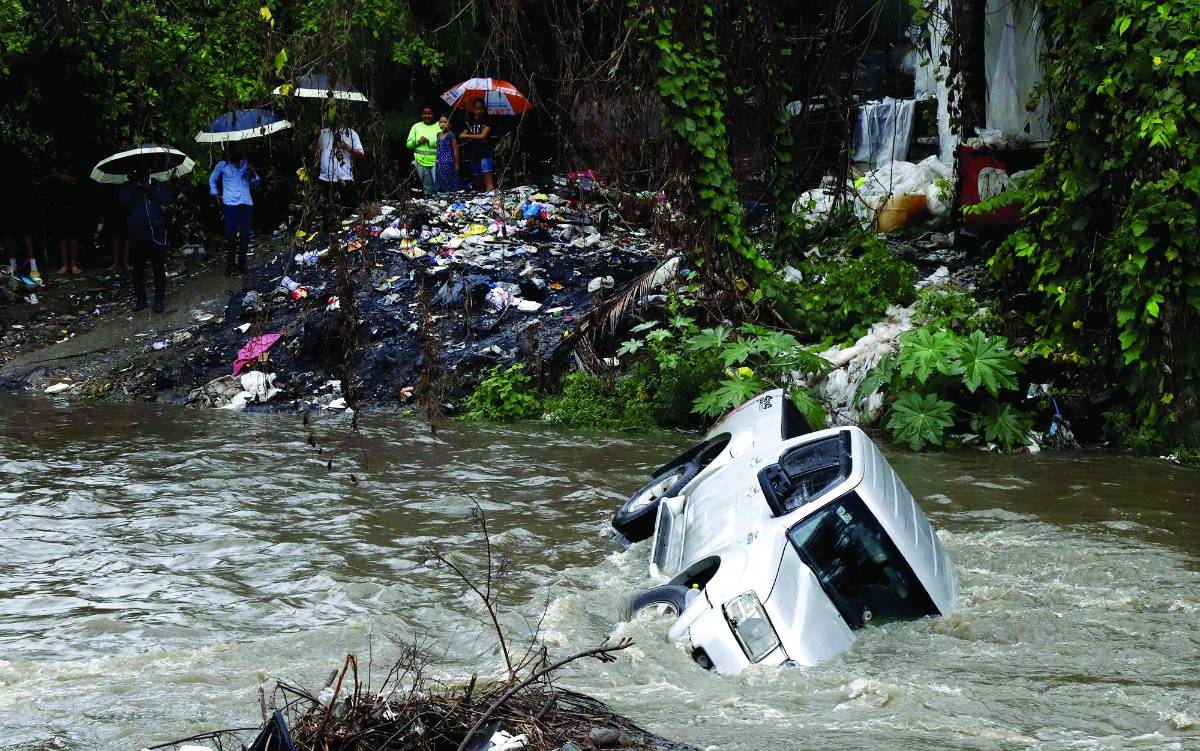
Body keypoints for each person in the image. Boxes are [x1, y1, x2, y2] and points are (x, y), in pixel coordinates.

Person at [120, 171, 171, 313]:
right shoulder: (128, 186)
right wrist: (133, 184)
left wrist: (149, 187)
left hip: (157, 230)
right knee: (138, 269)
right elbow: (123, 201)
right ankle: (140, 299)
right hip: (137, 232)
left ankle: (159, 300)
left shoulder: (157, 183)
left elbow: (166, 200)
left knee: (158, 267)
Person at [209, 143, 260, 275]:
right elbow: (212, 179)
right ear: (229, 152)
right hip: (230, 203)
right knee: (231, 234)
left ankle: (242, 264)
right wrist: (215, 194)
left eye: (240, 150)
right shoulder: (222, 165)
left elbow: (256, 182)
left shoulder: (246, 164)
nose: (239, 152)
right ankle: (231, 264)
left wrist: (252, 174)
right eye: (235, 150)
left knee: (245, 235)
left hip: (246, 203)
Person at [313, 112, 364, 233]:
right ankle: (327, 238)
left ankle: (347, 237)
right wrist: (315, 137)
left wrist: (347, 147)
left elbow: (361, 154)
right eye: (329, 117)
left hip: (345, 179)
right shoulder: (323, 133)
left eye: (336, 117)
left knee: (347, 212)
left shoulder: (350, 134)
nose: (333, 119)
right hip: (325, 179)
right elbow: (315, 153)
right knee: (327, 212)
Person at [41, 161, 84, 275]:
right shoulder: (53, 179)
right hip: (59, 209)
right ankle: (65, 264)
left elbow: (76, 187)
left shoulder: (70, 177)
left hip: (73, 208)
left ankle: (73, 264)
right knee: (62, 237)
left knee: (73, 237)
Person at [459, 98, 495, 192]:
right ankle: (481, 200)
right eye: (476, 108)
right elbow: (461, 135)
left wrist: (469, 136)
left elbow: (483, 136)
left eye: (480, 108)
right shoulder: (470, 121)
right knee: (477, 179)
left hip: (485, 152)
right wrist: (475, 137)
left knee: (487, 178)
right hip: (473, 152)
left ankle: (491, 196)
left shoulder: (487, 120)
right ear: (473, 109)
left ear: (484, 109)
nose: (478, 111)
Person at [405, 106, 440, 196]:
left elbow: (445, 142)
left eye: (429, 113)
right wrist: (417, 141)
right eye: (424, 113)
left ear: (434, 114)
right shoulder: (416, 126)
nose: (427, 116)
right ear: (421, 114)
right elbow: (408, 145)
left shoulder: (439, 125)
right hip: (421, 162)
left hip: (437, 161)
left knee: (439, 187)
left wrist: (429, 141)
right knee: (427, 189)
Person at [434, 114, 462, 193]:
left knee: (448, 180)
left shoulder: (451, 134)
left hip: (449, 162)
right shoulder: (438, 135)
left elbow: (455, 150)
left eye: (445, 122)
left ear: (450, 124)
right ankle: (443, 197)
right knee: (440, 179)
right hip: (439, 162)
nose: (443, 124)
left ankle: (450, 196)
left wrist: (456, 165)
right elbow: (438, 149)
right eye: (441, 122)